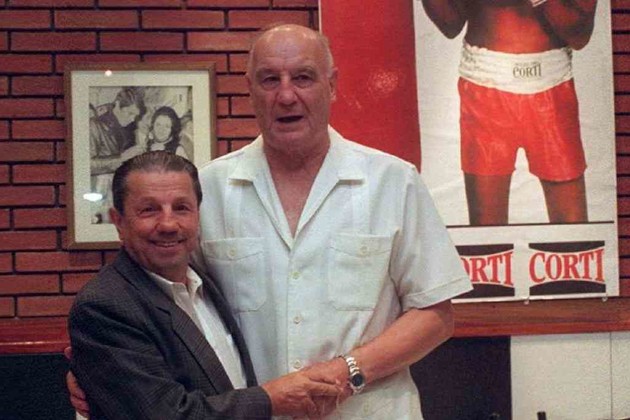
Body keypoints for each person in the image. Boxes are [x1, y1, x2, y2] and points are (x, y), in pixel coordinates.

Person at [68, 24, 472, 419]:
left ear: (332, 85)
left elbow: (436, 315)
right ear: (250, 89)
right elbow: (167, 299)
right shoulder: (210, 188)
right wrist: (102, 371)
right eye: (269, 80)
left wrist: (346, 371)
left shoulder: (394, 182)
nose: (286, 95)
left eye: (303, 77)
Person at [69, 151, 342, 419]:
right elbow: (166, 414)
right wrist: (271, 400)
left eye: (181, 208)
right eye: (149, 210)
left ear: (197, 216)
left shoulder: (204, 282)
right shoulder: (104, 307)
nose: (168, 224)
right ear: (119, 221)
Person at [422, 0, 596, 225]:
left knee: (573, 232)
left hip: (553, 90)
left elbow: (580, 36)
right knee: (488, 232)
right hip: (485, 87)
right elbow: (450, 24)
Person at [89, 87, 147, 224]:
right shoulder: (95, 125)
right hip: (100, 193)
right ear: (117, 105)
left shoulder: (132, 129)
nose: (132, 119)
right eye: (130, 113)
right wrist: (121, 159)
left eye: (135, 116)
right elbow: (88, 165)